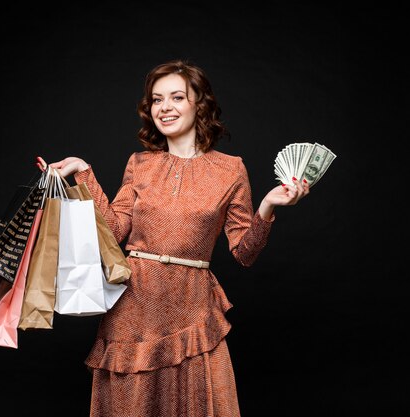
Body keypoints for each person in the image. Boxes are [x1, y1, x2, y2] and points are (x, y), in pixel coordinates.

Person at [37, 59, 309, 417]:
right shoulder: (140, 164)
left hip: (193, 309)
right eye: (156, 99)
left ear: (200, 104)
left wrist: (268, 207)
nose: (164, 107)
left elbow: (244, 253)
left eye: (177, 97)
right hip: (134, 309)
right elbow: (115, 230)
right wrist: (81, 171)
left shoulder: (231, 169)